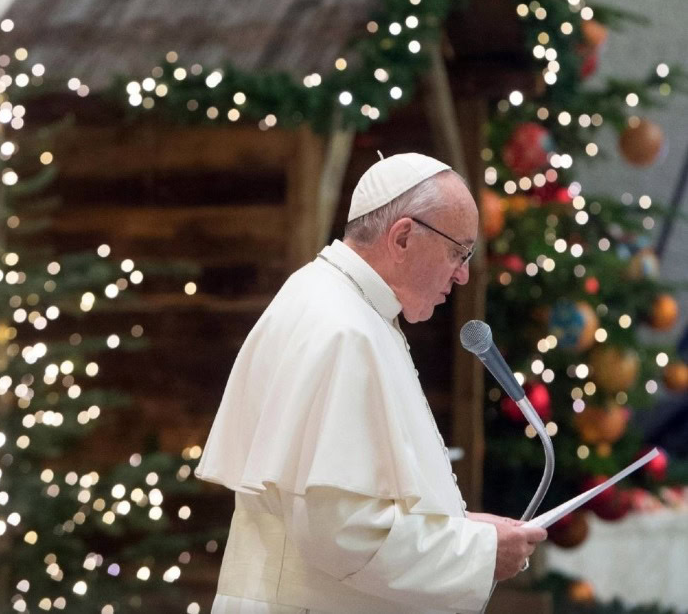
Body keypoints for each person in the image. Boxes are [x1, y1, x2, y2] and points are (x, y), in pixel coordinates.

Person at [196, 152, 546, 614]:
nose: (462, 274)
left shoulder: (340, 302)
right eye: (458, 252)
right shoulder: (341, 326)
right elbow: (342, 530)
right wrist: (478, 553)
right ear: (402, 237)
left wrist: (459, 527)